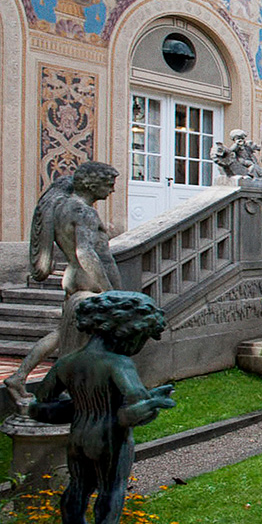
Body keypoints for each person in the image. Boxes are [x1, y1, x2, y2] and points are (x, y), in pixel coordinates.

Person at [31, 291, 175, 524]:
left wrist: (81, 408)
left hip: (79, 436)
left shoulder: (67, 362)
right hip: (111, 438)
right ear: (127, 331)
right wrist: (153, 404)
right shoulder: (119, 363)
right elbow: (130, 413)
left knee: (78, 487)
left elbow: (38, 408)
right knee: (111, 490)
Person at [5, 162, 121, 405]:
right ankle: (70, 389)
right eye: (108, 184)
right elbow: (85, 253)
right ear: (91, 183)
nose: (111, 190)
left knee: (62, 334)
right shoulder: (83, 212)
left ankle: (19, 375)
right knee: (81, 342)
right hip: (88, 283)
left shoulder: (65, 207)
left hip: (75, 278)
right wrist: (109, 291)